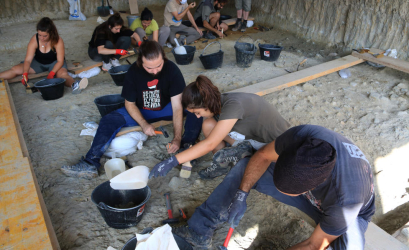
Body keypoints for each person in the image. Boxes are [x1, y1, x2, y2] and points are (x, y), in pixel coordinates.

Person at [162, 125, 376, 250]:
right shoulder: (304, 136)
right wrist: (241, 193)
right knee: (247, 167)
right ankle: (199, 229)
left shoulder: (345, 202)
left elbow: (313, 245)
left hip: (351, 214)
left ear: (310, 189)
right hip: (318, 189)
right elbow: (263, 155)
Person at [61, 41, 203, 179]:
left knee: (196, 109)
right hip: (142, 111)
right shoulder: (133, 72)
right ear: (141, 62)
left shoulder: (171, 69)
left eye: (158, 66)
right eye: (149, 68)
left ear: (163, 59)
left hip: (167, 109)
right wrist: (143, 124)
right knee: (109, 119)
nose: (154, 71)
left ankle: (187, 147)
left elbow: (177, 106)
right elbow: (130, 104)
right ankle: (90, 162)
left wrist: (177, 138)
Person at [148, 75, 290, 180]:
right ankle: (223, 163)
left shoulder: (233, 105)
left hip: (275, 145)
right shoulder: (218, 104)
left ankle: (245, 156)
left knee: (264, 172)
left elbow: (210, 144)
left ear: (207, 103)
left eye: (197, 112)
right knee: (208, 124)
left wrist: (172, 161)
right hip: (250, 139)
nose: (197, 116)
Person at [0, 17, 87, 94]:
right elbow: (27, 60)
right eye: (40, 35)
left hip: (55, 63)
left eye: (45, 36)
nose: (42, 38)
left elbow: (60, 61)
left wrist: (51, 74)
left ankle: (75, 85)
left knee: (62, 74)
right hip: (38, 63)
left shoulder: (58, 40)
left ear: (51, 33)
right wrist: (25, 73)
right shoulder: (34, 39)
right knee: (15, 69)